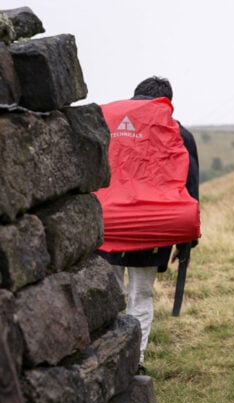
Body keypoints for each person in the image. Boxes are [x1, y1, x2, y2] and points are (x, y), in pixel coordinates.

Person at [97, 76, 200, 374]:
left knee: (111, 294)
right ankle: (134, 363)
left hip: (108, 226)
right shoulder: (177, 131)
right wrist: (187, 242)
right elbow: (189, 189)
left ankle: (108, 359)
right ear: (167, 103)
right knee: (140, 296)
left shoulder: (108, 125)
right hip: (151, 230)